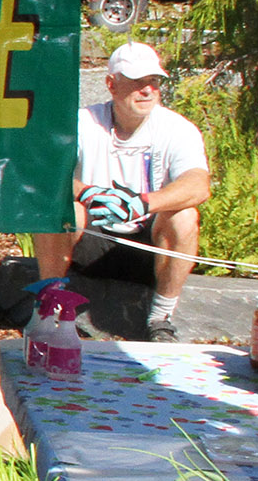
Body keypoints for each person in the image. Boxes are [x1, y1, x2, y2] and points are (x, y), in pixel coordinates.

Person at [30, 41, 211, 340]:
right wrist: (85, 192)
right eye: (137, 82)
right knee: (61, 209)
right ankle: (50, 310)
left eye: (154, 81)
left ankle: (161, 318)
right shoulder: (82, 123)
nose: (148, 90)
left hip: (148, 245)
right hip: (92, 240)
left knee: (185, 217)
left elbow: (198, 184)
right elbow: (43, 172)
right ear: (111, 85)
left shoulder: (178, 129)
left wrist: (143, 203)